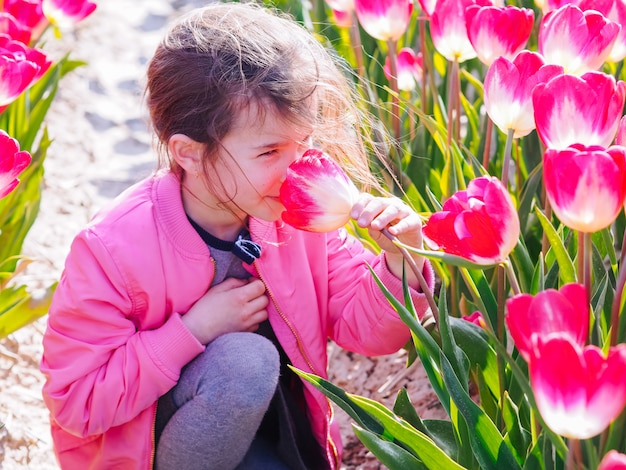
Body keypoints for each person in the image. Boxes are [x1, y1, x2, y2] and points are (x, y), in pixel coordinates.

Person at [40, 2, 434, 469]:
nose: (297, 167)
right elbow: (76, 403)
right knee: (244, 361)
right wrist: (192, 331)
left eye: (305, 143)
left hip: (275, 440)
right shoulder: (113, 249)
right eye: (270, 150)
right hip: (153, 453)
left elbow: (367, 332)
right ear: (188, 152)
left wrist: (399, 263)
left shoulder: (293, 221)